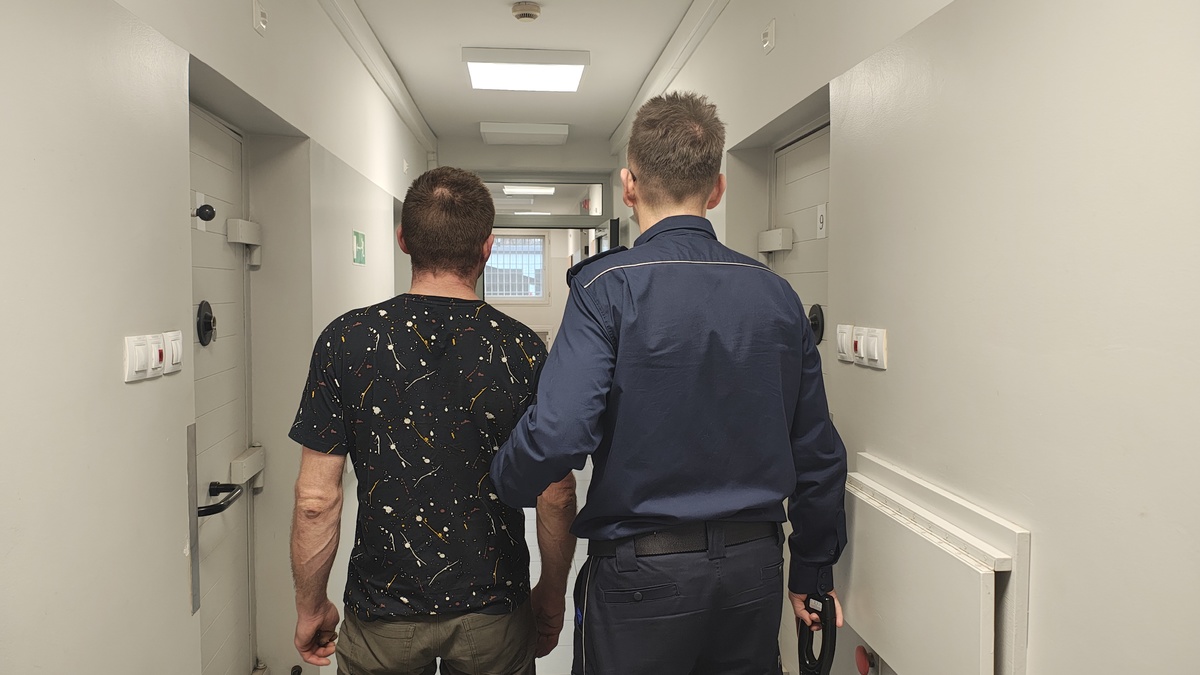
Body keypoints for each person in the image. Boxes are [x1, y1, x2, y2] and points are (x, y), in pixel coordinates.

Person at [490, 92, 847, 675]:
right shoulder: (778, 295)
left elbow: (559, 432)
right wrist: (812, 568)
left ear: (629, 185)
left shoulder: (605, 289)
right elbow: (819, 451)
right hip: (754, 572)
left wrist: (503, 479)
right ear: (718, 189)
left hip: (640, 579)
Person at [288, 166, 577, 674]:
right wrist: (552, 597)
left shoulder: (347, 340)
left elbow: (316, 501)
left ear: (403, 240)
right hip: (494, 609)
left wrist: (310, 606)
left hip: (382, 610)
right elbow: (556, 493)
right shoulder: (521, 347)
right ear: (487, 248)